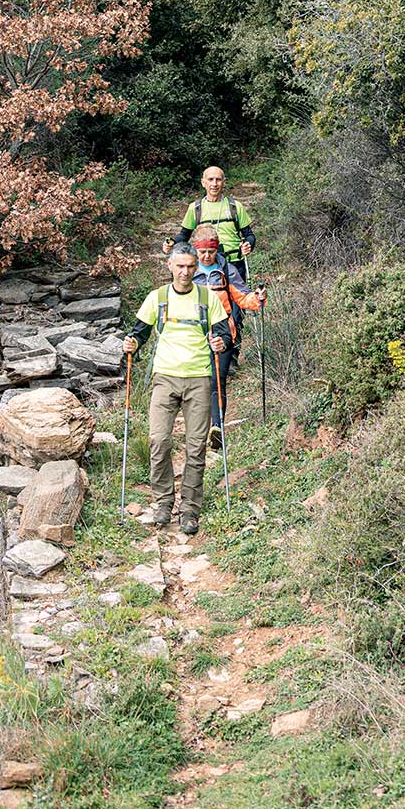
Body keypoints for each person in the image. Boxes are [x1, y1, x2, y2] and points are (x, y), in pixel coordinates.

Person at [122, 243, 231, 534]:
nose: (185, 272)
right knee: (159, 441)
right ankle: (162, 504)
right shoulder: (157, 298)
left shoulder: (208, 298)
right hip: (165, 378)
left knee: (196, 448)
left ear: (196, 268)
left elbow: (223, 335)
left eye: (190, 267)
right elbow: (139, 333)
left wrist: (220, 343)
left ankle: (189, 510)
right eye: (180, 266)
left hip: (198, 378)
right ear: (170, 266)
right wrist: (131, 344)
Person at [189, 227, 266, 447]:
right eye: (202, 251)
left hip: (224, 332)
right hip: (194, 336)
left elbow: (242, 297)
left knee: (217, 381)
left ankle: (217, 428)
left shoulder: (226, 269)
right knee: (197, 383)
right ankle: (197, 427)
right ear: (196, 250)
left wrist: (257, 299)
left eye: (210, 252)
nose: (206, 256)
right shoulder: (187, 270)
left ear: (216, 249)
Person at [163, 166, 256, 282]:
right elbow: (184, 235)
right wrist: (173, 242)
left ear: (224, 182)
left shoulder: (235, 206)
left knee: (237, 299)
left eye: (218, 179)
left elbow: (250, 235)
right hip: (205, 266)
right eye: (210, 179)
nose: (214, 184)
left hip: (234, 264)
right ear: (203, 182)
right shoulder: (196, 208)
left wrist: (248, 244)